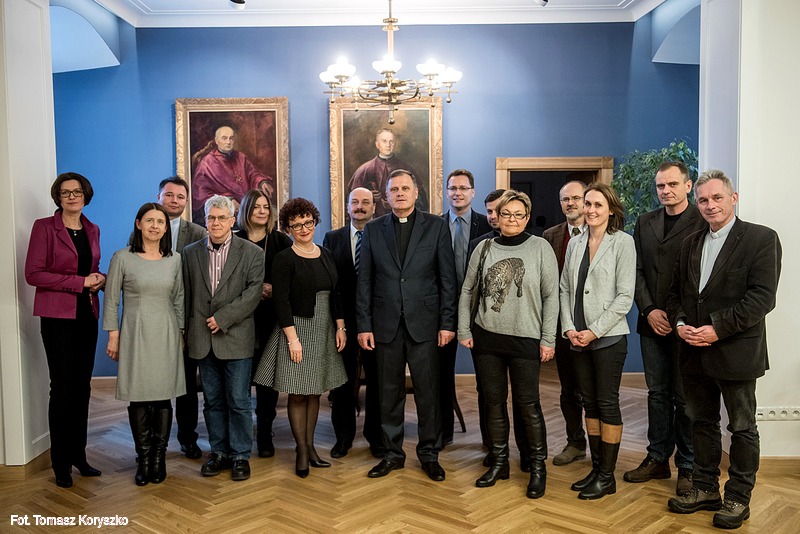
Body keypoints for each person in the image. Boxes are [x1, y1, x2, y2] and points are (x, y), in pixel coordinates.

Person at [666, 170, 781, 530]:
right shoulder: (690, 242)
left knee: (742, 428)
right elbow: (675, 294)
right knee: (701, 423)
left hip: (736, 351)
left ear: (733, 198)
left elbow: (762, 298)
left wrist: (717, 329)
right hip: (693, 350)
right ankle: (705, 489)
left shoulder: (762, 238)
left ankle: (738, 498)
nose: (710, 205)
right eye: (703, 200)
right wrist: (680, 323)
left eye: (717, 197)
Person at [356, 170, 457, 482]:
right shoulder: (373, 229)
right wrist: (364, 326)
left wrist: (447, 323)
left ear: (415, 192)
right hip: (384, 325)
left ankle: (429, 454)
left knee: (429, 393)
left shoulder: (436, 226)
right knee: (388, 394)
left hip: (426, 325)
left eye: (405, 188)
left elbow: (447, 279)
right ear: (386, 196)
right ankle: (392, 454)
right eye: (394, 189)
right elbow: (364, 281)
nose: (399, 193)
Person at [458, 190, 559, 499]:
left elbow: (551, 296)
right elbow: (467, 290)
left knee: (529, 405)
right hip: (487, 337)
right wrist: (464, 329)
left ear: (527, 218)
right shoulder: (484, 248)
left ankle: (537, 468)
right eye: (506, 214)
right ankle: (500, 463)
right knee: (494, 403)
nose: (512, 219)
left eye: (518, 214)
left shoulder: (540, 247)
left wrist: (548, 339)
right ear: (497, 217)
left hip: (526, 338)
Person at [625, 162, 705, 496]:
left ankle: (687, 465)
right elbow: (636, 270)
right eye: (660, 185)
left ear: (688, 186)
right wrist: (648, 309)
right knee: (657, 393)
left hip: (688, 323)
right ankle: (657, 458)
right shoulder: (644, 222)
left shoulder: (703, 220)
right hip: (652, 322)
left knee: (684, 397)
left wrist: (677, 316)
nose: (665, 190)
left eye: (672, 184)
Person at [253, 198, 348, 478]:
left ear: (315, 221)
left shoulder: (326, 254)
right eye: (297, 225)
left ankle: (310, 447)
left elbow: (336, 293)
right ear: (288, 228)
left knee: (315, 390)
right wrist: (292, 340)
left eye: (308, 222)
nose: (304, 228)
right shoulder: (284, 259)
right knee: (297, 392)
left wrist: (340, 327)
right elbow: (280, 302)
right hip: (296, 330)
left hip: (324, 328)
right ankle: (302, 452)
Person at [25, 172, 106, 489]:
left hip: (87, 314)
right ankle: (60, 463)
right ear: (58, 197)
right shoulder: (44, 227)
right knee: (62, 388)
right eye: (65, 192)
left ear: (86, 195)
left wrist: (99, 279)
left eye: (77, 191)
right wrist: (80, 282)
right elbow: (34, 274)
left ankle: (78, 456)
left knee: (82, 388)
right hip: (57, 317)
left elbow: (90, 269)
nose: (72, 196)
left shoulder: (92, 229)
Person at [559, 182, 635, 500]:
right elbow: (564, 288)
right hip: (577, 338)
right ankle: (596, 468)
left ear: (611, 210)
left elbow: (625, 298)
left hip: (608, 338)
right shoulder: (576, 242)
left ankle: (607, 476)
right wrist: (568, 328)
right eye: (587, 204)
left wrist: (594, 330)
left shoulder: (623, 243)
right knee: (588, 404)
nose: (590, 210)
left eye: (597, 205)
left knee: (606, 403)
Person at [182, 195, 264, 482]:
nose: (215, 223)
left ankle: (240, 455)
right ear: (205, 220)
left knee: (239, 401)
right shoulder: (190, 252)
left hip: (237, 337)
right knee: (213, 401)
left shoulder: (252, 252)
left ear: (232, 221)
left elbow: (253, 293)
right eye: (211, 218)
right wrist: (184, 332)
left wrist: (224, 318)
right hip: (201, 338)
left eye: (221, 218)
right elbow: (186, 295)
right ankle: (218, 452)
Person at [104, 203, 185, 486]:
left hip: (166, 331)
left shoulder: (174, 259)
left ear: (166, 227)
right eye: (149, 220)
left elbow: (179, 298)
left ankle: (159, 457)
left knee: (163, 396)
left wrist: (181, 332)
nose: (155, 226)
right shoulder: (122, 257)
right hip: (134, 332)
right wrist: (113, 336)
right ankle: (144, 457)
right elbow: (111, 300)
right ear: (138, 224)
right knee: (138, 396)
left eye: (160, 222)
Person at [323, 187, 385, 459]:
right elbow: (329, 283)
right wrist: (336, 323)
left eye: (365, 202)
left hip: (377, 322)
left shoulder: (383, 235)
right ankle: (343, 437)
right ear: (348, 206)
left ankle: (376, 438)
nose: (360, 206)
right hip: (343, 322)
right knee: (343, 382)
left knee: (377, 382)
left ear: (374, 207)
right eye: (355, 202)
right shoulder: (332, 238)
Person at [234, 189, 293, 458]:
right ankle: (240, 434)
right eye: (256, 206)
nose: (262, 211)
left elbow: (293, 277)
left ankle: (265, 433)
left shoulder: (280, 240)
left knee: (267, 381)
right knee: (240, 381)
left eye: (266, 207)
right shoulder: (234, 240)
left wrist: (274, 288)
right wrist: (253, 290)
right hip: (239, 321)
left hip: (271, 320)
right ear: (246, 210)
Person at [439, 169, 492, 447]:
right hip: (443, 312)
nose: (457, 193)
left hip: (479, 312)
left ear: (472, 192)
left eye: (462, 188)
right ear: (446, 192)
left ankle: (489, 439)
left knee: (486, 380)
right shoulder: (434, 225)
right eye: (452, 188)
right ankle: (443, 434)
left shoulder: (487, 225)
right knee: (442, 378)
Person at [157, 176, 207, 460]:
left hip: (188, 321)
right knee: (156, 383)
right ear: (159, 197)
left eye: (180, 197)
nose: (174, 201)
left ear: (187, 201)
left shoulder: (199, 233)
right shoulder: (144, 228)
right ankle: (156, 442)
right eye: (169, 195)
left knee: (187, 385)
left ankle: (188, 438)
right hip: (154, 319)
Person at [542, 180, 589, 468]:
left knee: (594, 391)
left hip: (594, 326)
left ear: (586, 200)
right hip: (562, 325)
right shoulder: (550, 235)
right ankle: (575, 442)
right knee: (569, 389)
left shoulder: (603, 232)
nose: (570, 203)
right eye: (564, 199)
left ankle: (602, 448)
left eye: (575, 198)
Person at [191, 126, 275, 224]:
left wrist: (261, 182)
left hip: (247, 207)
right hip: (224, 212)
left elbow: (252, 174)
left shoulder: (241, 157)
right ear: (217, 140)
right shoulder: (206, 163)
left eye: (231, 138)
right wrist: (228, 200)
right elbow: (200, 193)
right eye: (224, 138)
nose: (228, 142)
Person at [348, 128, 429, 217]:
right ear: (377, 144)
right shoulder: (365, 169)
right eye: (384, 141)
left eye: (391, 142)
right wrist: (369, 198)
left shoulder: (406, 169)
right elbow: (351, 202)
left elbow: (422, 203)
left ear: (394, 144)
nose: (388, 145)